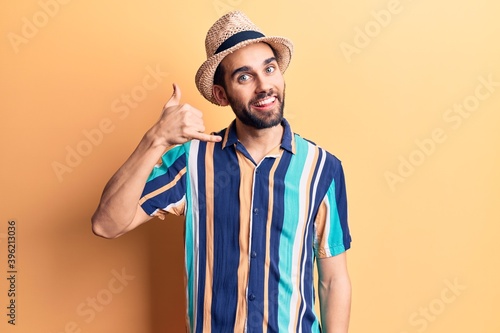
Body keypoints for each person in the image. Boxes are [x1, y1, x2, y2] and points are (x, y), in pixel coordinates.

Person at [92, 11, 352, 333]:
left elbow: (332, 279)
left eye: (269, 69)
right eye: (244, 77)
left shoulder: (323, 168)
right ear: (221, 94)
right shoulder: (192, 161)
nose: (263, 86)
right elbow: (106, 224)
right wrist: (156, 139)